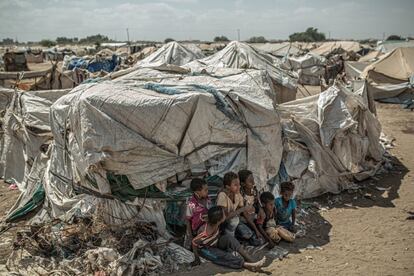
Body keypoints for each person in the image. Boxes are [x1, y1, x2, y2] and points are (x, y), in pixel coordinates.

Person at [192, 206, 266, 271]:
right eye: (224, 214)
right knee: (223, 256)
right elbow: (194, 242)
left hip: (216, 241)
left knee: (229, 238)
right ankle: (246, 264)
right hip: (206, 248)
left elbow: (225, 215)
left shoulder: (215, 221)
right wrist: (196, 258)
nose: (225, 214)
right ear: (219, 220)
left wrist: (242, 209)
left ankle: (249, 259)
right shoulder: (204, 231)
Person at [216, 172, 260, 245]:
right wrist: (243, 209)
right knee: (234, 221)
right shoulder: (222, 196)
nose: (239, 187)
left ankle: (235, 236)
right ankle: (229, 239)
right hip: (223, 223)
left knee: (248, 234)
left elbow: (243, 211)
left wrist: (256, 230)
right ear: (227, 187)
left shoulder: (237, 194)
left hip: (233, 220)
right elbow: (224, 217)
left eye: (239, 184)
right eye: (235, 185)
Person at [184, 178, 212, 249]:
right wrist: (190, 235)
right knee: (190, 245)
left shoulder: (207, 199)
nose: (207, 192)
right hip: (196, 229)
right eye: (205, 190)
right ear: (197, 192)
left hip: (205, 226)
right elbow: (188, 220)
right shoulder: (191, 203)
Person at [238, 170, 263, 245]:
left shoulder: (254, 191)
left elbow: (258, 203)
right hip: (244, 219)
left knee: (263, 215)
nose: (253, 182)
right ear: (243, 183)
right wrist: (256, 230)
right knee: (245, 231)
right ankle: (252, 234)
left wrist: (261, 210)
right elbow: (245, 214)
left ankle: (256, 232)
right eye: (250, 181)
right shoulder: (240, 195)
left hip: (253, 216)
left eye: (253, 180)